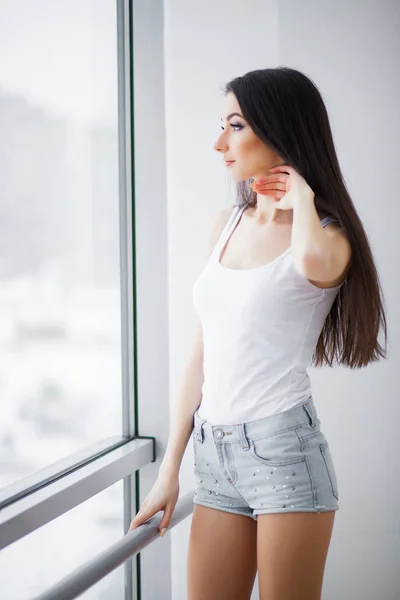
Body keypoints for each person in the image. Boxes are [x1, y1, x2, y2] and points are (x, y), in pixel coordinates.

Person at [128, 67, 387, 600]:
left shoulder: (328, 238)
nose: (221, 143)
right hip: (214, 455)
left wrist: (306, 199)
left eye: (235, 125)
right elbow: (201, 354)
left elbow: (314, 261)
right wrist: (169, 470)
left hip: (283, 454)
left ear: (279, 128)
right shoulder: (226, 222)